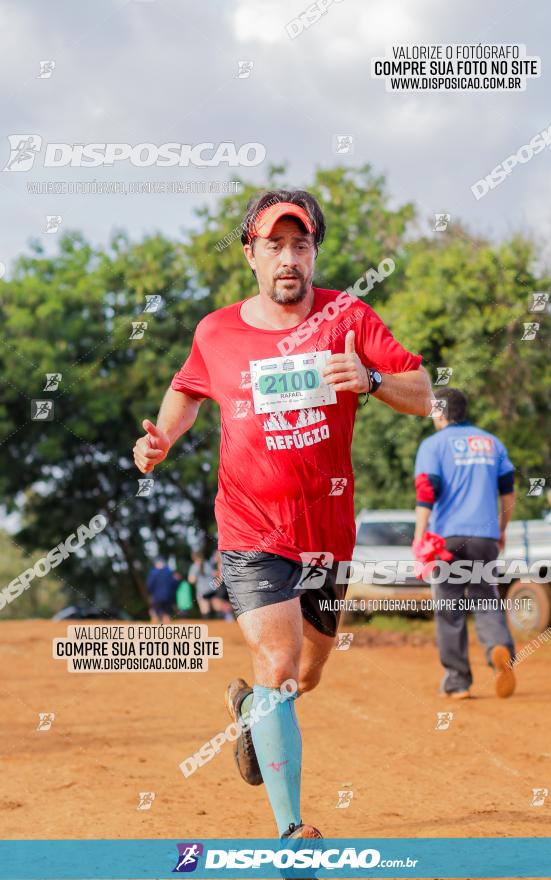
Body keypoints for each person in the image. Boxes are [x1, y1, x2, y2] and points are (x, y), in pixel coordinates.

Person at [133, 189, 431, 839]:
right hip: (249, 528)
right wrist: (162, 438)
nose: (288, 258)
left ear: (314, 251)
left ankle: (251, 715)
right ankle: (292, 830)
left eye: (301, 244)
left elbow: (422, 389)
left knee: (305, 673)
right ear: (251, 254)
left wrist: (372, 381)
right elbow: (187, 388)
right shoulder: (216, 331)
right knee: (277, 661)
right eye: (274, 245)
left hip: (326, 533)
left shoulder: (349, 317)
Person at [413, 387, 517, 700]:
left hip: (447, 539)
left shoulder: (433, 445)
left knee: (449, 608)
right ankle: (498, 649)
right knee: (486, 598)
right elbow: (508, 493)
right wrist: (500, 529)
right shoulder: (492, 442)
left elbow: (426, 492)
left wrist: (419, 535)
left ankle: (458, 682)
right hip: (485, 537)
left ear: (441, 413)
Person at [146, 557, 176, 623]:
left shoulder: (153, 572)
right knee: (166, 614)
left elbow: (149, 584)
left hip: (157, 597)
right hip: (168, 596)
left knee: (156, 613)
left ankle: (158, 625)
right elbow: (174, 583)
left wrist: (150, 593)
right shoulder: (169, 571)